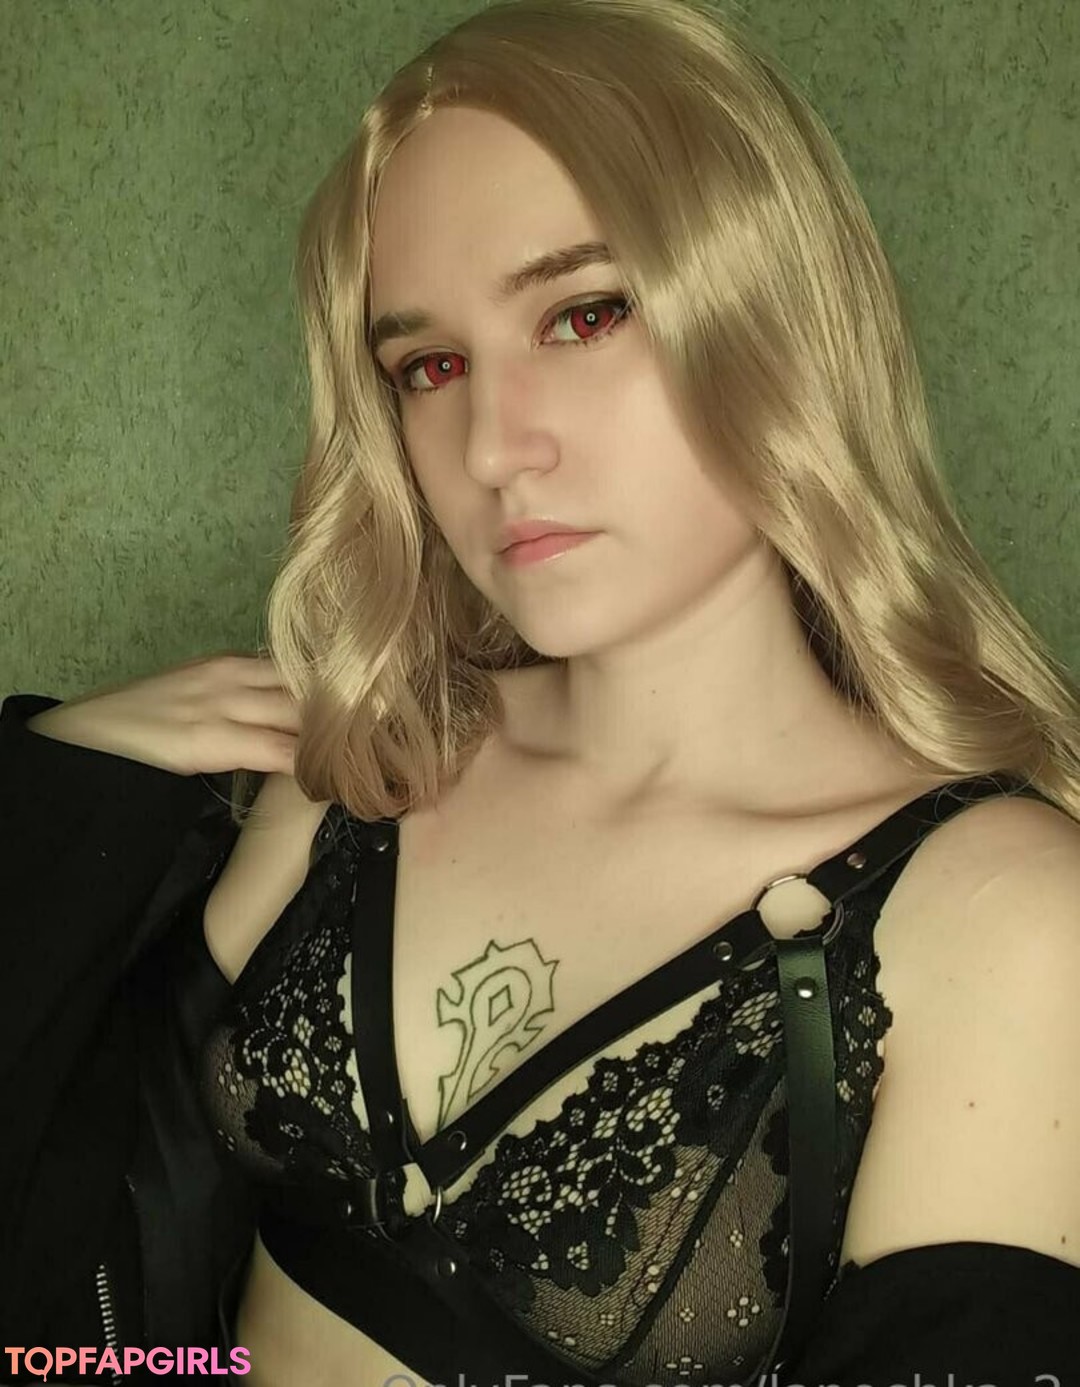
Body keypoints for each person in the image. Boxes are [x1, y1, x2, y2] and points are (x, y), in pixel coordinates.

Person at [3, 0, 1079, 1383]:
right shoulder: (361, 767)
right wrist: (49, 792)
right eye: (431, 366)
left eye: (584, 314)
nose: (493, 448)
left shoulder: (1002, 918)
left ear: (776, 313)